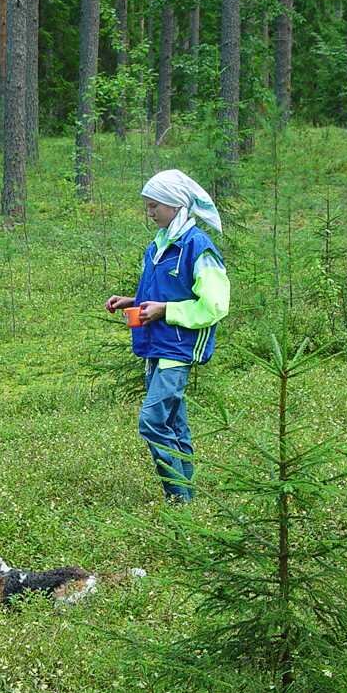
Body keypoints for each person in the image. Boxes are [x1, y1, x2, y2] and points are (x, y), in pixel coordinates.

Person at [105, 170, 229, 503]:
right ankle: (188, 496)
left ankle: (177, 497)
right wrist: (133, 301)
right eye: (147, 206)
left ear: (175, 205)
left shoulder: (198, 248)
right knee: (175, 423)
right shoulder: (158, 246)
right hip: (154, 344)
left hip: (178, 345)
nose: (149, 212)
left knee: (152, 421)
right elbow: (162, 290)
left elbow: (216, 305)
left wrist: (166, 312)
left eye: (154, 205)